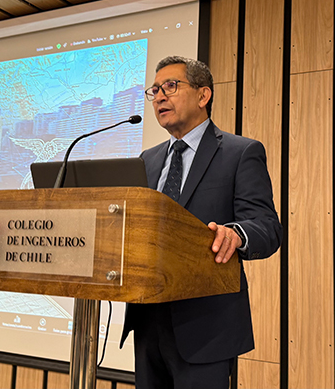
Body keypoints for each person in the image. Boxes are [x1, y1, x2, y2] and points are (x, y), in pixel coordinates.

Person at [120, 56, 282, 388]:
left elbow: (267, 226)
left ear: (203, 95)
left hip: (206, 325)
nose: (160, 96)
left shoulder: (240, 153)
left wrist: (236, 234)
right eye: (155, 90)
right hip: (148, 322)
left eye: (170, 86)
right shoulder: (147, 160)